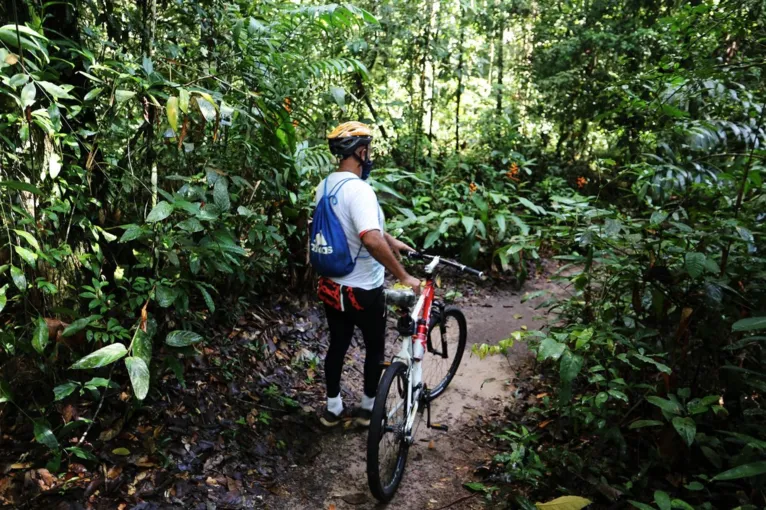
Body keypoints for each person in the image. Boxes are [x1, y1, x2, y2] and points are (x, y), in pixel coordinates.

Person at [314, 121, 421, 427]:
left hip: (333, 286)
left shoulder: (326, 185)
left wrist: (392, 240)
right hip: (363, 289)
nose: (370, 156)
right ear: (361, 152)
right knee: (374, 347)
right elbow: (368, 237)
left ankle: (332, 410)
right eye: (369, 151)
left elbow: (353, 229)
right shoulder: (359, 190)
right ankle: (366, 410)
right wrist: (403, 276)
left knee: (338, 345)